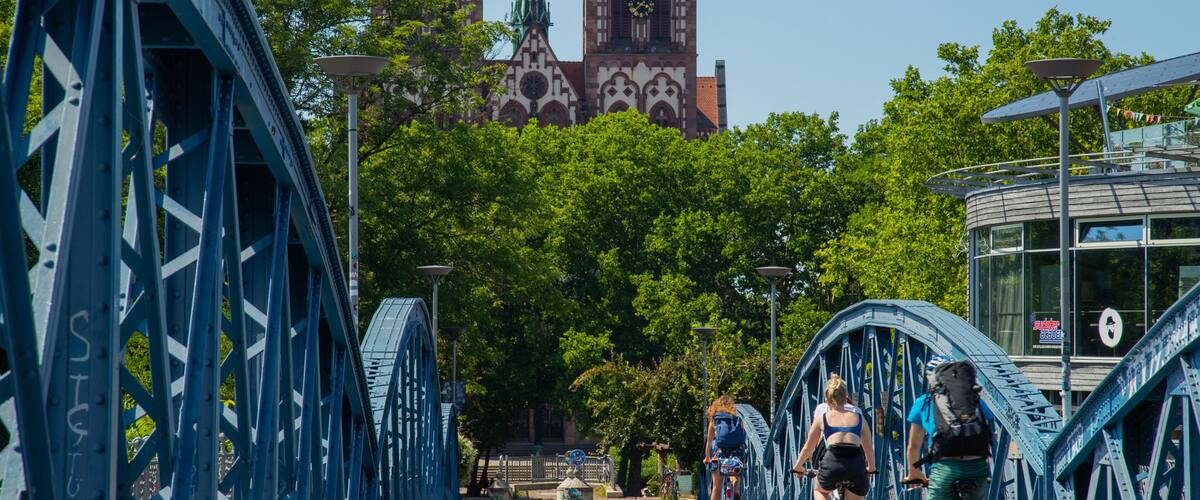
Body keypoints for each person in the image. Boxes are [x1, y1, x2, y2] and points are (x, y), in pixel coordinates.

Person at [904, 355, 993, 499]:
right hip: (977, 467)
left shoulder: (924, 402)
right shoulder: (974, 400)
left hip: (946, 468)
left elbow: (913, 446)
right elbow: (989, 428)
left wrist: (914, 472)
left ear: (930, 377)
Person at [791, 374, 876, 500]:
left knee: (820, 491)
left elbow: (808, 448)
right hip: (856, 465)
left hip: (832, 463)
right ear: (846, 396)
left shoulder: (823, 419)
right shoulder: (859, 418)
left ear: (827, 399)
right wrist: (872, 468)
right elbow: (869, 449)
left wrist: (798, 466)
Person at [704, 395, 745, 500]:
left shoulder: (715, 420)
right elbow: (742, 442)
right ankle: (735, 489)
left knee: (716, 487)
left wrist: (707, 458)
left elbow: (708, 442)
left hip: (720, 454)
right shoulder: (738, 420)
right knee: (736, 468)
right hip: (736, 453)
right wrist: (744, 461)